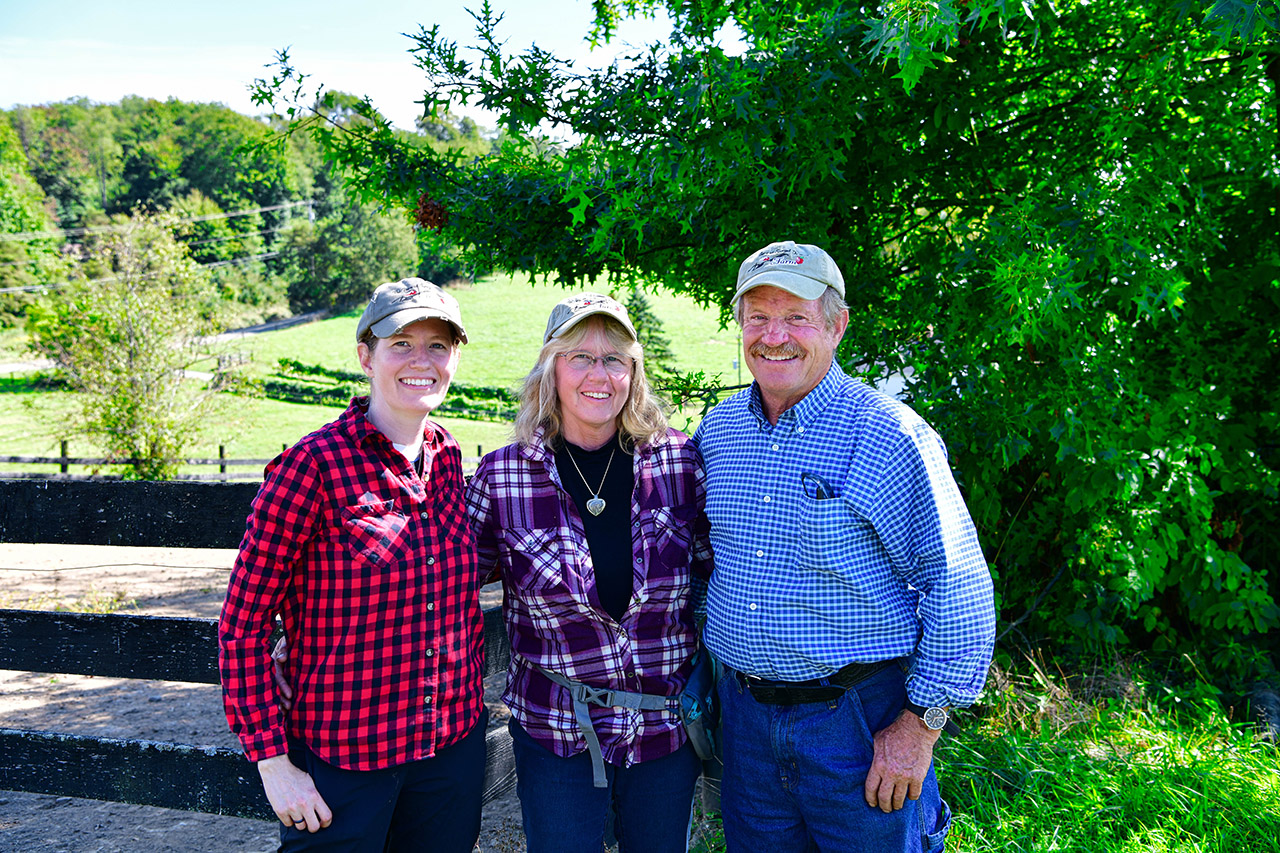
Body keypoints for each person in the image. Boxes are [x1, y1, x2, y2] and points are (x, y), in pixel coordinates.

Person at [692, 242, 995, 853]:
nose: (774, 335)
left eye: (797, 317)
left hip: (859, 724)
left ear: (836, 325)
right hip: (746, 723)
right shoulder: (719, 431)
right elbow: (698, 562)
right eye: (757, 316)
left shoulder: (888, 434)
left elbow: (959, 586)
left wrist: (920, 726)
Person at [218, 278, 488, 853]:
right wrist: (272, 762)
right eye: (401, 344)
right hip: (346, 757)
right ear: (366, 356)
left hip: (449, 750)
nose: (422, 361)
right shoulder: (311, 466)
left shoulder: (448, 454)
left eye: (438, 346)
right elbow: (243, 625)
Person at [464, 293, 714, 853]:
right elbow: (443, 584)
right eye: (579, 356)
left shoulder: (677, 463)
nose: (597, 374)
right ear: (551, 368)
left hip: (663, 728)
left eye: (614, 359)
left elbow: (717, 570)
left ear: (634, 372)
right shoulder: (505, 476)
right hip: (556, 728)